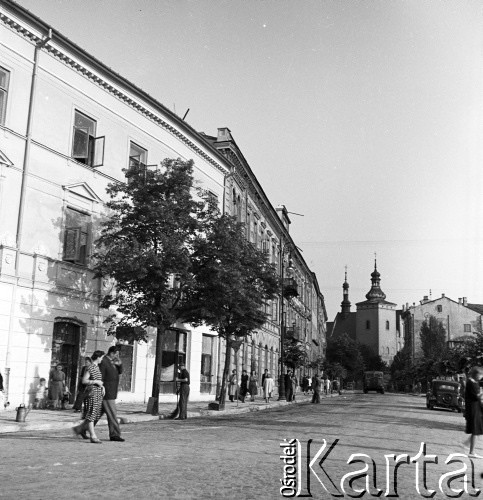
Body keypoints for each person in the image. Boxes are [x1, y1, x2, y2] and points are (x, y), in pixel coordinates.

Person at [72, 350, 105, 443]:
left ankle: (79, 429)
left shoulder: (96, 367)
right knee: (91, 414)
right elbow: (84, 380)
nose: (102, 359)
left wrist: (102, 386)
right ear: (98, 357)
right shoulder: (90, 367)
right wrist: (96, 382)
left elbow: (98, 380)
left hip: (97, 393)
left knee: (94, 414)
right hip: (91, 393)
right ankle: (93, 436)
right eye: (102, 357)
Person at [99, 346, 125, 442]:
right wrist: (101, 389)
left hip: (112, 392)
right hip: (107, 392)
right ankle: (115, 434)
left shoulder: (113, 362)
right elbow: (100, 376)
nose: (117, 356)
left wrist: (120, 364)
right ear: (112, 353)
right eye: (116, 354)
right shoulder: (104, 361)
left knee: (97, 414)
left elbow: (120, 372)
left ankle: (82, 428)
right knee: (113, 414)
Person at [464, 366, 483, 458]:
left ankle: (468, 445)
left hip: (476, 408)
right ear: (477, 374)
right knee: (475, 430)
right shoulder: (471, 383)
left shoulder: (474, 382)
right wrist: (481, 394)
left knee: (477, 429)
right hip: (473, 409)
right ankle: (471, 451)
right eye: (481, 374)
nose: (481, 377)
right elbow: (475, 396)